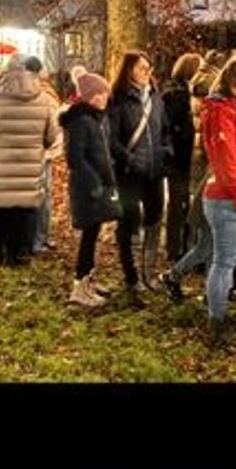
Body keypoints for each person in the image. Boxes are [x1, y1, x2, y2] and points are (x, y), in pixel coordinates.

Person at [168, 54, 236, 330]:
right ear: (235, 84)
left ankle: (186, 286)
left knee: (209, 252)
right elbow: (228, 161)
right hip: (228, 198)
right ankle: (217, 320)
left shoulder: (232, 109)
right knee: (224, 263)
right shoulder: (222, 113)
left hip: (231, 195)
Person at [0, 53, 61, 265]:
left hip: (0, 165)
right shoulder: (46, 101)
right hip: (30, 167)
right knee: (25, 210)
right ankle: (20, 254)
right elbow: (52, 135)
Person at [63, 64, 138, 308]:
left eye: (104, 94)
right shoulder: (81, 121)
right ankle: (79, 286)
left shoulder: (97, 119)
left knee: (93, 235)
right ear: (87, 97)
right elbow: (76, 158)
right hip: (88, 189)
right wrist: (95, 184)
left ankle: (88, 279)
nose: (103, 99)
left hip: (99, 186)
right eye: (97, 95)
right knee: (88, 237)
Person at [107, 50, 167, 272]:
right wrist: (130, 160)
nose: (146, 72)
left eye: (148, 68)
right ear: (128, 70)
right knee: (129, 220)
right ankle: (131, 274)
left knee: (154, 217)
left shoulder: (155, 98)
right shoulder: (118, 100)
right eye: (141, 67)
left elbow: (165, 130)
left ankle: (148, 271)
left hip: (154, 170)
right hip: (128, 173)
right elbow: (111, 139)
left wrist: (165, 152)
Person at [162, 51, 206, 269]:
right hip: (180, 158)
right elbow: (172, 127)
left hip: (183, 158)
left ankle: (181, 248)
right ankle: (175, 248)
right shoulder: (176, 95)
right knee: (179, 205)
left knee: (182, 204)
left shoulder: (176, 92)